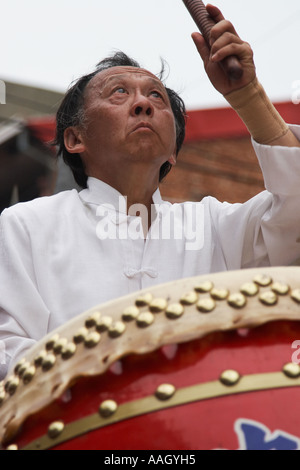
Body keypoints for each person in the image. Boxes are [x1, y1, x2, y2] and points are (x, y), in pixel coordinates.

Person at [1, 4, 300, 379]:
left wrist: (249, 96)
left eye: (156, 97)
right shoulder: (26, 226)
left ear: (172, 151)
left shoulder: (215, 227)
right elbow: (8, 351)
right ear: (75, 139)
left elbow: (295, 212)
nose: (143, 103)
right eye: (119, 93)